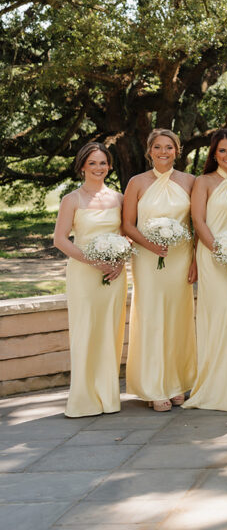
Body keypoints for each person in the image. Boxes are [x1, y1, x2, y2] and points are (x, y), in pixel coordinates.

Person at [122, 129, 196, 411]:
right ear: (149, 151)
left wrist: (195, 260)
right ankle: (154, 386)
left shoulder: (190, 182)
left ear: (177, 151)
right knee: (152, 317)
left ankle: (177, 382)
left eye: (169, 147)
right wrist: (150, 246)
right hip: (147, 258)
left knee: (179, 317)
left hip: (180, 258)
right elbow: (127, 224)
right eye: (157, 147)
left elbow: (196, 222)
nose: (163, 152)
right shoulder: (137, 182)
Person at [53, 143, 128, 417]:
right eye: (93, 163)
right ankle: (83, 400)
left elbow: (125, 233)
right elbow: (60, 240)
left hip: (115, 274)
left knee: (110, 332)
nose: (99, 168)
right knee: (86, 331)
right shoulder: (71, 200)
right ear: (82, 165)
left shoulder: (119, 198)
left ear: (110, 166)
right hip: (84, 274)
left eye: (103, 163)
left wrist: (119, 260)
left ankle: (108, 398)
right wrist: (94, 262)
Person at [184, 129, 227, 412]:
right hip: (213, 256)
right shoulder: (203, 182)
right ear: (214, 153)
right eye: (223, 151)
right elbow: (198, 221)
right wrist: (218, 251)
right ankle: (214, 388)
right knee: (222, 317)